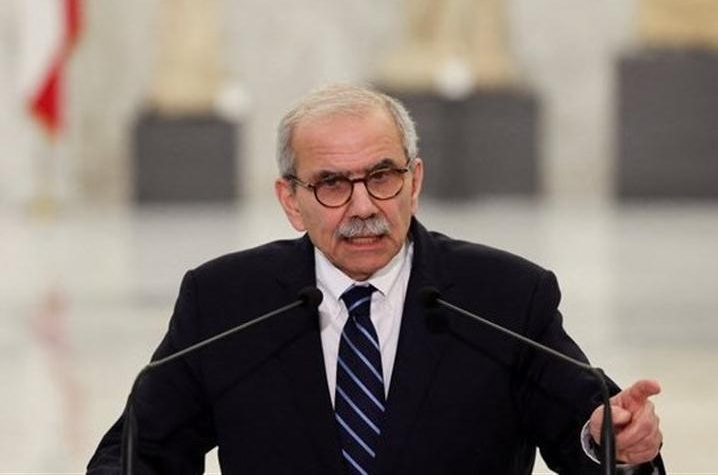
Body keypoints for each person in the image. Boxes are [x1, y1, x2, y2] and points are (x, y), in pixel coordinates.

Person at [88, 85, 663, 474]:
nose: (363, 206)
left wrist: (614, 444)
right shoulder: (226, 302)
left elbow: (593, 432)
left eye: (382, 176)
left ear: (415, 181)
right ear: (290, 200)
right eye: (333, 184)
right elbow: (135, 455)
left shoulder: (503, 297)